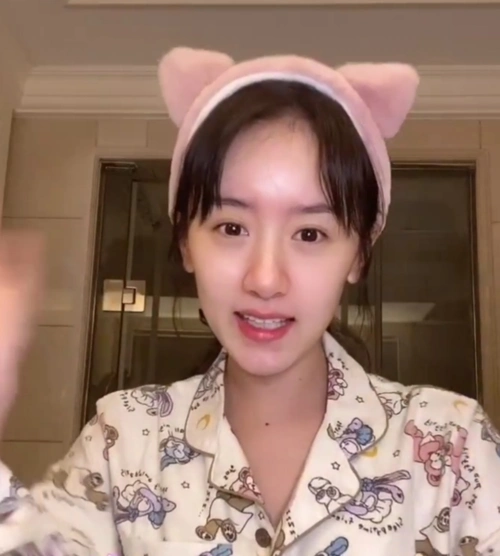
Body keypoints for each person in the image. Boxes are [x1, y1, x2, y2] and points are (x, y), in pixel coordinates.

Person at [0, 46, 498, 556]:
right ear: (186, 241)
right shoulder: (122, 439)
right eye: (232, 227)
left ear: (358, 255)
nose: (265, 279)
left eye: (310, 234)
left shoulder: (449, 444)